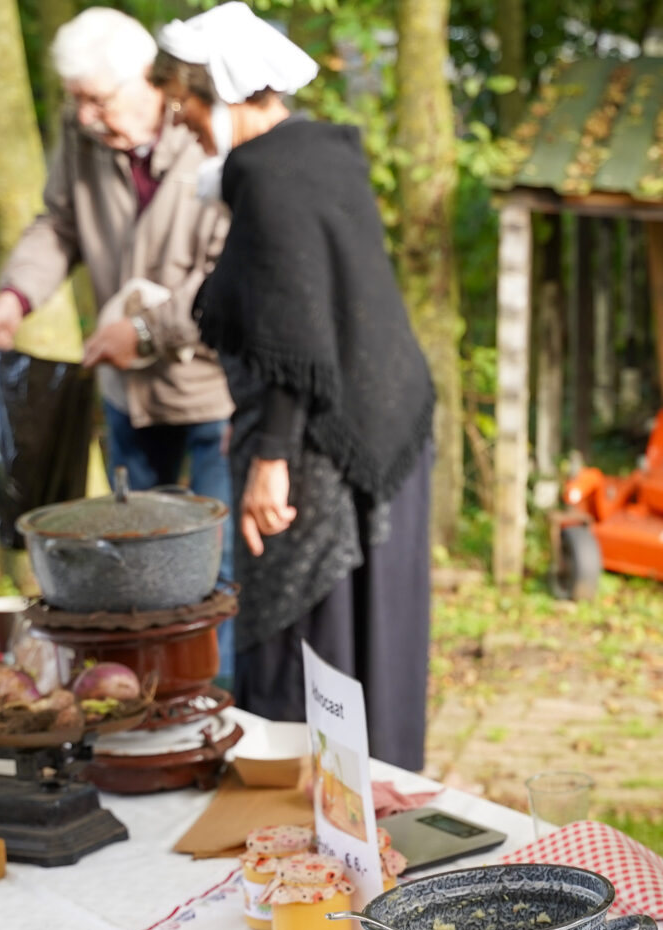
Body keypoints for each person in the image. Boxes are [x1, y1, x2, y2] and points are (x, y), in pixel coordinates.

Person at [149, 3, 436, 771]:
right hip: (377, 429)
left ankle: (311, 807)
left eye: (187, 109)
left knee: (310, 638)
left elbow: (293, 334)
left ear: (222, 93)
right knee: (373, 641)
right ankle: (374, 804)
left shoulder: (271, 176)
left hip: (321, 446)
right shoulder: (319, 159)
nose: (185, 129)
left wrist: (269, 458)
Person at [0, 6, 235, 672]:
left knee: (213, 565)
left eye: (97, 99)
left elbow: (228, 274)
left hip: (211, 390)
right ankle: (132, 693)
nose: (86, 115)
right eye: (76, 100)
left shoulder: (208, 128)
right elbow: (58, 224)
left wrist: (146, 330)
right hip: (128, 394)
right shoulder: (81, 133)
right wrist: (15, 294)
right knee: (123, 555)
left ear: (146, 80)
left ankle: (213, 694)